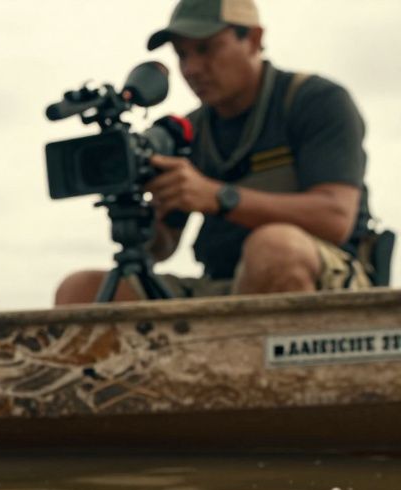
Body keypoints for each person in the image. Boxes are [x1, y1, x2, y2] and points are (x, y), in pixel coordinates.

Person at [55, 0, 374, 304]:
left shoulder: (314, 101)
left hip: (329, 283)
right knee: (79, 290)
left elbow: (335, 218)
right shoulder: (187, 131)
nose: (192, 68)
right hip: (222, 285)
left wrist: (218, 197)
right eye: (182, 55)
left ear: (253, 39)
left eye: (206, 49)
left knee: (275, 249)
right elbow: (162, 248)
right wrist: (144, 215)